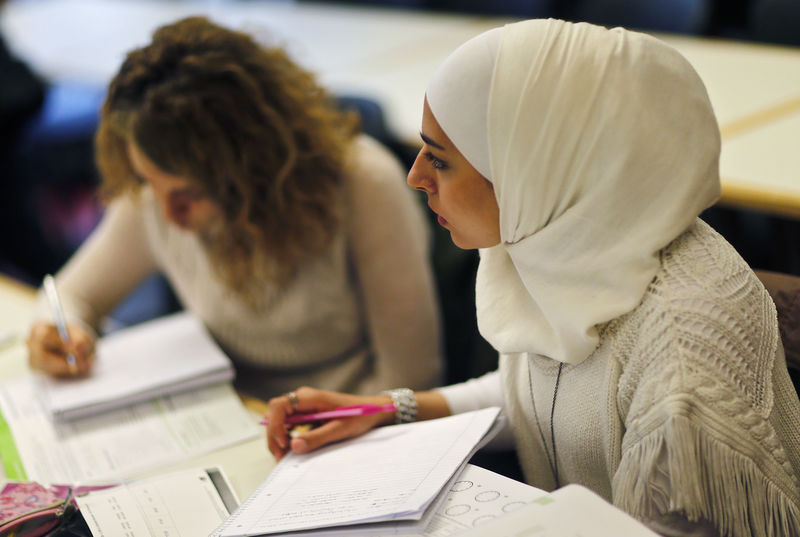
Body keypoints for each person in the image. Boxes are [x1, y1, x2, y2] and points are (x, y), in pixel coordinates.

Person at [264, 18, 800, 537]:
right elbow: (554, 398)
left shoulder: (682, 368)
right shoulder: (569, 245)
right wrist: (390, 409)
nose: (415, 176)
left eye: (441, 159)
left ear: (532, 165)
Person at [25, 16, 442, 399]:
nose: (169, 215)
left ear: (253, 170)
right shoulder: (157, 191)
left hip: (344, 424)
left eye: (190, 194)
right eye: (151, 184)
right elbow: (70, 296)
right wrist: (59, 333)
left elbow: (411, 378)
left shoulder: (361, 182)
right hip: (227, 415)